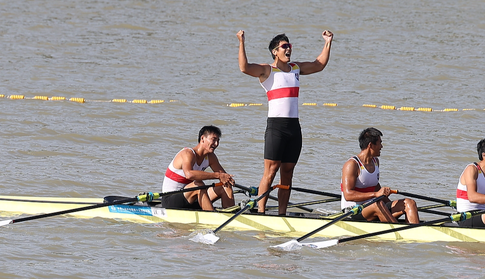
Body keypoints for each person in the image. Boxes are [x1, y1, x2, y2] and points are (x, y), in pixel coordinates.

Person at [236, 29, 333, 215]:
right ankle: (261, 212)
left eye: (290, 46)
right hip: (276, 128)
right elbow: (244, 67)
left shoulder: (296, 68)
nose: (289, 49)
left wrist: (328, 42)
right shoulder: (267, 70)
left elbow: (319, 65)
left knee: (287, 173)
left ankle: (281, 214)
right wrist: (241, 42)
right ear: (275, 51)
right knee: (270, 172)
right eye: (284, 46)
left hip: (294, 128)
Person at [340, 127, 420, 224]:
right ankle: (401, 234)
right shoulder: (352, 165)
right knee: (377, 204)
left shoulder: (375, 162)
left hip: (375, 205)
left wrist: (390, 204)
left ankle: (415, 230)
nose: (382, 146)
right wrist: (376, 194)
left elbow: (375, 187)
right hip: (354, 210)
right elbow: (348, 195)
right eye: (380, 143)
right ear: (371, 145)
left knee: (409, 203)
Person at [162, 125, 235, 211]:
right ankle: (212, 217)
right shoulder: (187, 153)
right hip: (170, 200)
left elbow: (223, 176)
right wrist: (218, 175)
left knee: (225, 185)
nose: (216, 144)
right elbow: (189, 175)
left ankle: (231, 216)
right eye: (214, 140)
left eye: (218, 141)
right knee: (199, 184)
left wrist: (229, 180)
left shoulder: (211, 157)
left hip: (192, 197)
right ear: (203, 138)